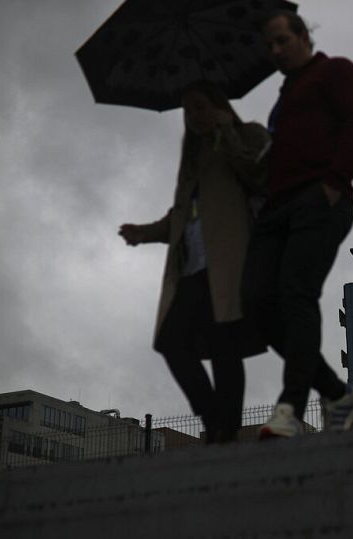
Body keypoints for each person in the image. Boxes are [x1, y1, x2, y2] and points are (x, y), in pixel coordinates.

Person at [246, 10, 353, 438]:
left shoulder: (334, 71)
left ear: (304, 35)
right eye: (269, 46)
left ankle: (289, 409)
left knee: (296, 293)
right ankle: (338, 393)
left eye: (282, 40)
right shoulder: (281, 104)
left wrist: (335, 182)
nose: (276, 51)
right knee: (258, 304)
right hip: (276, 210)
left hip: (319, 199)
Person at [119, 81, 269, 443]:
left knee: (224, 344)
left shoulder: (248, 133)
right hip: (190, 266)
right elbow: (181, 216)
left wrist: (227, 131)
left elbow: (259, 174)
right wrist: (145, 232)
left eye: (200, 106)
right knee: (171, 341)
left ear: (217, 105)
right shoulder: (193, 156)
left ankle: (225, 429)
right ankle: (214, 415)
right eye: (187, 110)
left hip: (230, 260)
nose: (193, 116)